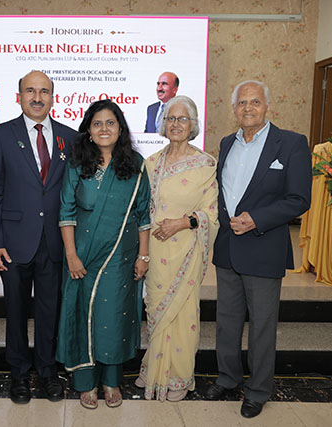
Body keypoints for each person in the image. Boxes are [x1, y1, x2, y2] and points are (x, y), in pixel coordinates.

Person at [207, 80, 312, 418]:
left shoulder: (292, 143)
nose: (248, 108)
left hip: (264, 246)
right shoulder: (227, 143)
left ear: (267, 106)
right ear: (234, 108)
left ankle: (257, 390)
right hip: (228, 248)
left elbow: (299, 199)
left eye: (255, 102)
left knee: (262, 326)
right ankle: (227, 378)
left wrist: (256, 219)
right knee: (227, 322)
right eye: (242, 102)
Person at [0, 71, 77, 404]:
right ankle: (19, 374)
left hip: (54, 242)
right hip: (13, 241)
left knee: (50, 311)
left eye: (44, 91)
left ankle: (48, 371)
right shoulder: (1, 134)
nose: (37, 97)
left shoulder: (70, 137)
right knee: (15, 310)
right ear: (19, 96)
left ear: (53, 97)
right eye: (30, 91)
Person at [56, 99, 151, 409]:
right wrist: (71, 255)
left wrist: (144, 256)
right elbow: (66, 211)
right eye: (97, 123)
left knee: (114, 316)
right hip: (82, 256)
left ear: (120, 128)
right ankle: (86, 382)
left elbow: (143, 215)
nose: (104, 128)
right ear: (88, 130)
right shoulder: (77, 163)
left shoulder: (135, 165)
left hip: (121, 257)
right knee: (85, 314)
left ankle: (111, 381)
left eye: (110, 122)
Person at [136, 96, 218, 401]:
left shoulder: (205, 164)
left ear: (193, 124)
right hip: (156, 252)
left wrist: (182, 223)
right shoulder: (151, 163)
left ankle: (179, 376)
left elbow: (211, 213)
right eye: (171, 118)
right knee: (157, 311)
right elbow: (141, 210)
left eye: (183, 119)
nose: (176, 124)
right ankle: (154, 371)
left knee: (183, 315)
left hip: (187, 250)